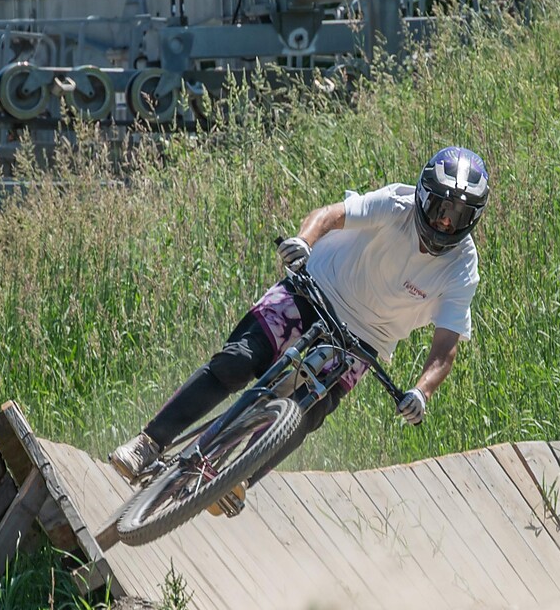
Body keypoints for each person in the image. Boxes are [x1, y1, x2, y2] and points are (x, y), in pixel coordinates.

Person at [109, 145, 489, 514]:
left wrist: (422, 392)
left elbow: (445, 348)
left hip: (364, 340)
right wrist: (302, 242)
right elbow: (329, 216)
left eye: (458, 217)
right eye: (440, 208)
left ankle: (240, 478)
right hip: (315, 287)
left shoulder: (462, 268)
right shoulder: (397, 204)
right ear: (423, 197)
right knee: (238, 361)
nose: (444, 222)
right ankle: (150, 442)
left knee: (308, 415)